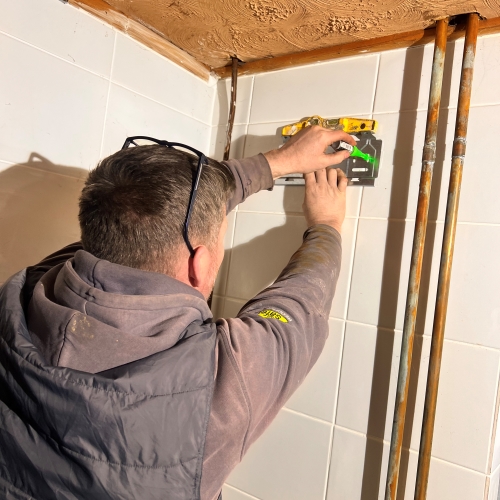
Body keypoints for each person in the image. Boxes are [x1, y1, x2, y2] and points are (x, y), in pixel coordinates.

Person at [0, 126, 355, 500]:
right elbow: (300, 306)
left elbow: (158, 215)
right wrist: (326, 225)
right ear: (198, 266)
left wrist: (277, 162)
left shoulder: (25, 290)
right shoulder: (218, 380)